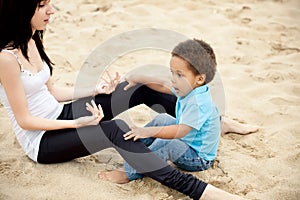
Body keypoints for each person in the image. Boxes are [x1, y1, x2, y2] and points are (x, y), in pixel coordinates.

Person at [0, 0, 247, 199]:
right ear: (22, 9)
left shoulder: (33, 39)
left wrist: (97, 90)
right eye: (42, 5)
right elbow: (25, 121)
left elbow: (52, 93)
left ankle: (211, 120)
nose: (51, 10)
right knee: (116, 129)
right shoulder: (6, 59)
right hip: (42, 141)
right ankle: (200, 191)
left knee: (135, 87)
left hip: (58, 114)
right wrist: (79, 124)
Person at [99, 39, 221, 183]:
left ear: (199, 79)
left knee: (166, 143)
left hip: (197, 157)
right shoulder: (188, 87)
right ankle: (137, 149)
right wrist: (140, 79)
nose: (173, 79)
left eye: (179, 75)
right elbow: (163, 85)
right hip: (185, 141)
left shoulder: (198, 103)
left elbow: (180, 131)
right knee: (162, 118)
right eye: (172, 72)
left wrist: (148, 131)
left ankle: (128, 172)